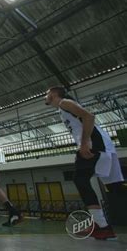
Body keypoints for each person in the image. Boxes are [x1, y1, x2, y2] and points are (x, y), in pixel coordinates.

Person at [45, 87, 126, 240]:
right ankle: (101, 225)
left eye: (47, 93)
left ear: (54, 94)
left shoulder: (64, 103)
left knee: (80, 179)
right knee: (116, 187)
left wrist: (83, 143)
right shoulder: (64, 108)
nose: (46, 96)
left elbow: (89, 117)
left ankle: (101, 225)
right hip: (105, 146)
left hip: (95, 145)